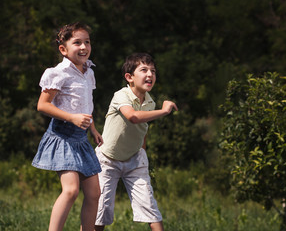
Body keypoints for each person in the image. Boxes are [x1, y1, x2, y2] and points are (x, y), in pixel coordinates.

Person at [94, 53, 178, 231]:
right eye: (144, 70)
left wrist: (143, 154)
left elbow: (142, 128)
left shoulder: (150, 103)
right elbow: (133, 117)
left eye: (153, 71)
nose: (150, 74)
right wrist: (163, 111)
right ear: (129, 77)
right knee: (100, 210)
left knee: (150, 206)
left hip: (134, 160)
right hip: (107, 159)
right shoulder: (121, 95)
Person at [32, 22, 103, 231]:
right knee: (71, 190)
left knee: (94, 193)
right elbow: (42, 105)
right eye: (77, 42)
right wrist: (71, 118)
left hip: (82, 138)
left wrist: (93, 129)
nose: (84, 47)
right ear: (63, 49)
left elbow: (86, 105)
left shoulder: (89, 71)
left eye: (87, 42)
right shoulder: (58, 72)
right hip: (62, 136)